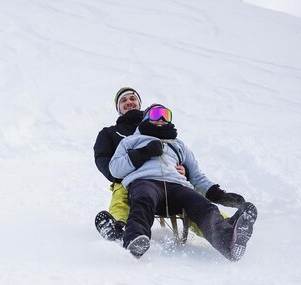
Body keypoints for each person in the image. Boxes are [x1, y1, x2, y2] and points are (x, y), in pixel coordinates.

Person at [108, 104, 257, 261]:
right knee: (143, 199)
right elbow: (115, 169)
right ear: (145, 117)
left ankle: (228, 242)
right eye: (156, 114)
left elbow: (197, 177)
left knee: (203, 205)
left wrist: (219, 195)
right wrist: (143, 152)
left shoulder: (178, 144)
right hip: (146, 182)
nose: (161, 118)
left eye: (166, 115)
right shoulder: (131, 141)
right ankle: (134, 239)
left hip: (177, 187)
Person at [93, 87, 187, 240]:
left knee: (193, 197)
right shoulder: (109, 133)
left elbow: (175, 152)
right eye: (123, 100)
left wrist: (185, 170)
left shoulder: (157, 125)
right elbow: (101, 157)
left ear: (139, 103)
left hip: (166, 176)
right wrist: (117, 175)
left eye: (132, 99)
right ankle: (117, 226)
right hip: (127, 177)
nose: (128, 102)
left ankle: (226, 226)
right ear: (119, 108)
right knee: (121, 195)